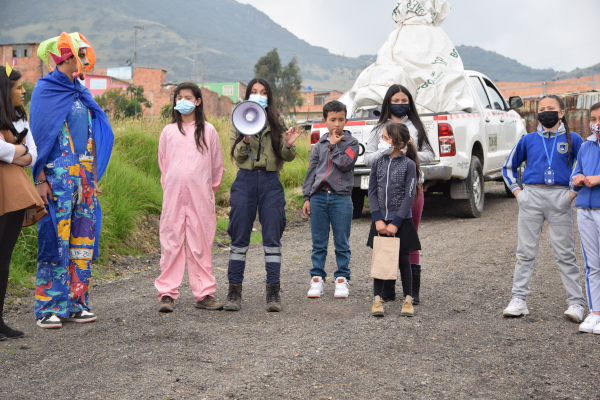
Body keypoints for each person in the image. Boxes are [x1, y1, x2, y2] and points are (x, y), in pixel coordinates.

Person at [30, 32, 114, 329]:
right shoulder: (45, 90)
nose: (81, 59)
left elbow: (90, 135)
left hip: (84, 179)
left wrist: (90, 175)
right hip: (56, 177)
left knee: (82, 239)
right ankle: (48, 306)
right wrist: (39, 178)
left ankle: (77, 303)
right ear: (63, 57)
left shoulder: (80, 91)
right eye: (77, 54)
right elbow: (38, 139)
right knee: (54, 238)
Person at [502, 95, 585, 322]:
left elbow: (587, 165)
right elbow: (508, 168)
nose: (545, 112)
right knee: (525, 252)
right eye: (542, 109)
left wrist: (571, 193)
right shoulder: (528, 140)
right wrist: (519, 194)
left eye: (551, 109)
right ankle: (518, 299)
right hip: (531, 197)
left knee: (565, 253)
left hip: (560, 198)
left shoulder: (574, 139)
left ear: (561, 113)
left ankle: (576, 303)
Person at [226, 77, 302, 312]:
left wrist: (289, 144)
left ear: (269, 96)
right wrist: (245, 139)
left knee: (272, 238)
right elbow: (238, 158)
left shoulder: (276, 123)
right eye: (254, 91)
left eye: (263, 92)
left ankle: (273, 291)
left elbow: (287, 157)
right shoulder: (238, 120)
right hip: (245, 181)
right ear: (247, 95)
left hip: (271, 182)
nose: (258, 95)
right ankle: (234, 291)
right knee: (239, 237)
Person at [155, 83, 225, 313]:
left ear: (197, 101)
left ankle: (204, 294)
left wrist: (206, 190)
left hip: (200, 195)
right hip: (173, 195)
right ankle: (167, 293)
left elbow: (217, 167)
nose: (182, 100)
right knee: (171, 241)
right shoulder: (168, 131)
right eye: (179, 97)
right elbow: (163, 164)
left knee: (200, 242)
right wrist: (173, 185)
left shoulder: (209, 131)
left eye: (188, 97)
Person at [364, 84, 433, 305]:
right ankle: (388, 287)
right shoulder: (378, 130)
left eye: (405, 101)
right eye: (396, 100)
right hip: (385, 193)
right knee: (386, 241)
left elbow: (431, 154)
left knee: (409, 241)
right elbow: (367, 158)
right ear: (387, 102)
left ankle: (413, 290)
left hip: (412, 191)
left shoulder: (417, 127)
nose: (400, 105)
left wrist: (409, 152)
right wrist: (384, 153)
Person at [0, 64, 45, 340]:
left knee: (4, 258)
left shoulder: (19, 118)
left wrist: (13, 153)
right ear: (6, 90)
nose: (23, 91)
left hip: (16, 194)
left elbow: (33, 155)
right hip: (6, 192)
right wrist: (19, 151)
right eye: (18, 87)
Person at [303, 100, 359, 299]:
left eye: (341, 120)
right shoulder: (318, 146)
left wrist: (334, 147)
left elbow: (345, 163)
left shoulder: (352, 143)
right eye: (332, 120)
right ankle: (317, 279)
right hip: (318, 198)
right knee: (319, 243)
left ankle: (342, 279)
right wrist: (307, 197)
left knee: (341, 242)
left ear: (346, 121)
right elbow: (311, 172)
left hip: (341, 198)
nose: (337, 124)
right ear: (324, 121)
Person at [367, 121, 421, 317]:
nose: (382, 141)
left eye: (386, 138)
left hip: (401, 221)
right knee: (380, 259)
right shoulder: (377, 163)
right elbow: (372, 192)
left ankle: (407, 300)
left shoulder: (409, 165)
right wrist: (378, 219)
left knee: (404, 261)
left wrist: (396, 222)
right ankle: (377, 300)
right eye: (382, 137)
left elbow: (409, 195)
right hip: (381, 220)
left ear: (399, 143)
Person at [570, 102, 600, 333]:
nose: (595, 123)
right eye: (593, 118)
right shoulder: (586, 146)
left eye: (599, 118)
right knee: (592, 265)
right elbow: (575, 173)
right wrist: (578, 177)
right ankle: (595, 313)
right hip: (585, 211)